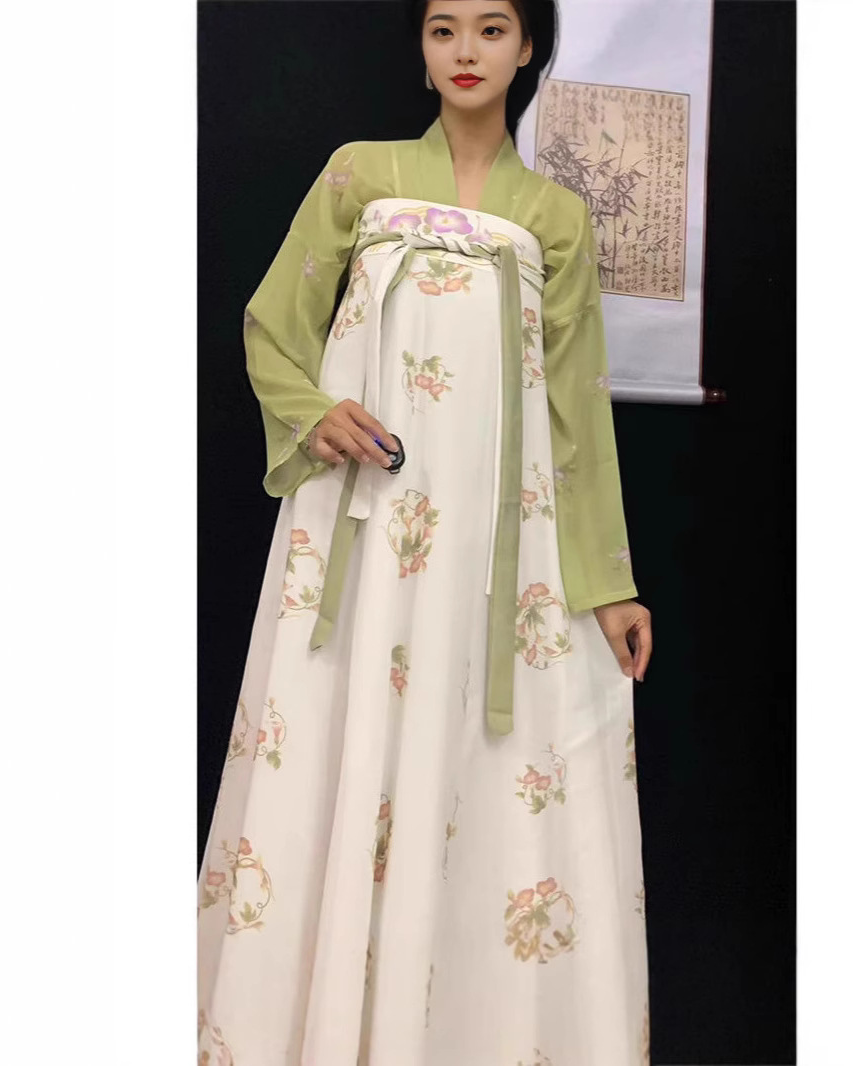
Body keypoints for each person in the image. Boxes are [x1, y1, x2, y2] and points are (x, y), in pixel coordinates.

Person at [198, 1, 653, 1062]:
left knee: (487, 777)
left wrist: (609, 584)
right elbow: (272, 326)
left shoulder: (556, 218)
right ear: (421, 45)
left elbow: (577, 414)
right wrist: (315, 412)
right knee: (339, 740)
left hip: (500, 547)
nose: (465, 52)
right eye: (444, 29)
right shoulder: (359, 175)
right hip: (363, 531)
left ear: (528, 46)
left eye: (491, 29)